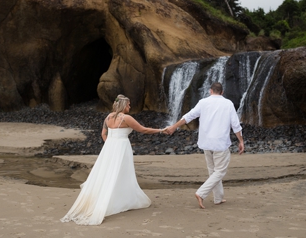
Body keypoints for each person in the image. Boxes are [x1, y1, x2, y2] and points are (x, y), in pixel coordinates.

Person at [62, 94, 162, 226]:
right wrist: (162, 130)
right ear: (124, 105)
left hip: (110, 148)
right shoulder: (126, 118)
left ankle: (114, 198)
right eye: (128, 104)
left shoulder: (108, 117)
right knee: (122, 173)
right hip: (122, 149)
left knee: (107, 173)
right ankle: (120, 199)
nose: (130, 106)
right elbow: (143, 130)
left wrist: (110, 145)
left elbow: (103, 134)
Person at [163, 82, 245, 210]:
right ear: (222, 92)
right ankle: (201, 193)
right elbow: (235, 124)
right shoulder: (228, 104)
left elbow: (188, 116)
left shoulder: (203, 102)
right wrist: (241, 141)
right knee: (220, 171)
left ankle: (218, 198)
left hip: (206, 143)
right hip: (220, 143)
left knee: (213, 171)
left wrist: (174, 126)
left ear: (210, 91)